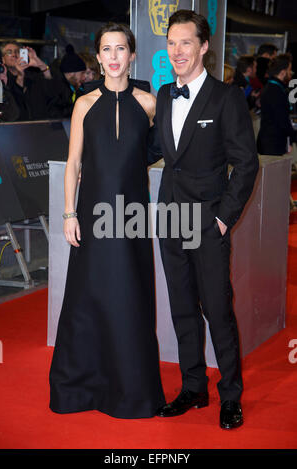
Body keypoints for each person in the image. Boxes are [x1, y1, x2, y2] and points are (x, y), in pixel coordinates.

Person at [49, 22, 166, 419]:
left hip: (132, 218)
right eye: (107, 49)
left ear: (131, 55)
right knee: (87, 299)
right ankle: (80, 388)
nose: (114, 57)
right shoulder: (84, 104)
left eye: (121, 49)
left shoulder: (150, 103)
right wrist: (68, 213)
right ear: (97, 58)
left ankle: (131, 393)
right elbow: (74, 164)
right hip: (92, 216)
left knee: (130, 299)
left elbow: (162, 151)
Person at [153, 10, 259, 429]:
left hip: (207, 223)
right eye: (171, 43)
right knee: (182, 309)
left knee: (218, 310)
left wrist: (223, 220)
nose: (177, 51)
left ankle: (230, 395)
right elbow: (155, 153)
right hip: (169, 221)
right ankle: (194, 387)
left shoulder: (226, 98)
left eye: (185, 43)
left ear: (203, 47)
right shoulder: (163, 95)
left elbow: (246, 164)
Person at [0, 41, 52, 120]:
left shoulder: (32, 76)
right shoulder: (0, 80)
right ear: (3, 59)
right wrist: (20, 76)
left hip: (38, 125)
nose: (14, 55)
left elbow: (52, 89)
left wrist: (40, 64)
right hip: (13, 127)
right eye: (9, 52)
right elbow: (1, 109)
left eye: (17, 51)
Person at [257, 53, 296, 156]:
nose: (291, 73)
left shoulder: (274, 88)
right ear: (283, 72)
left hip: (272, 141)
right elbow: (282, 119)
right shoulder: (274, 91)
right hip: (272, 144)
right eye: (289, 70)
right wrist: (293, 136)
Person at [46, 44, 86, 118]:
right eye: (82, 73)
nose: (84, 77)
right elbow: (53, 113)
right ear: (71, 73)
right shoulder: (56, 88)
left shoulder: (75, 88)